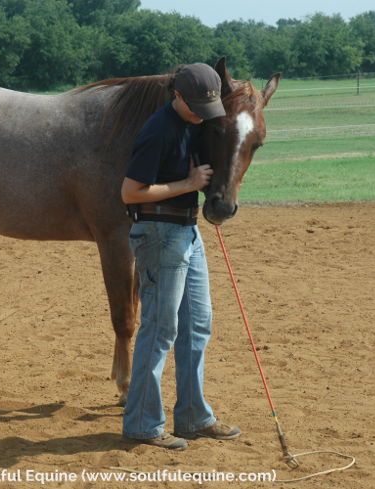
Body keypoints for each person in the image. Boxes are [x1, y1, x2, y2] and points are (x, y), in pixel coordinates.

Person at [120, 63, 240, 451]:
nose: (200, 115)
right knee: (159, 329)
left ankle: (192, 415)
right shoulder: (159, 130)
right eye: (194, 107)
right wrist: (186, 185)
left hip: (187, 230)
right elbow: (130, 192)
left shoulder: (196, 122)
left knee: (198, 324)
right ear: (177, 95)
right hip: (159, 233)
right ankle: (142, 423)